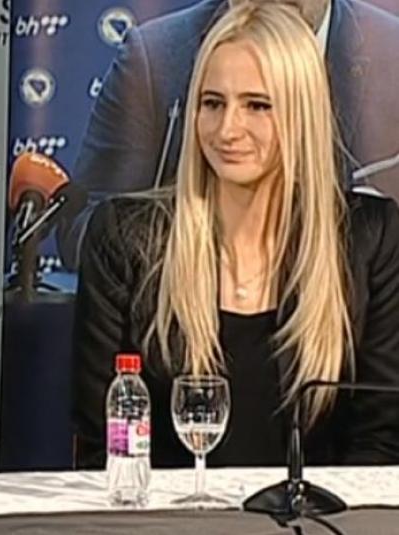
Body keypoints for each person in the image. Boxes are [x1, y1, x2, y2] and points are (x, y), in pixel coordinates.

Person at [72, 2, 399, 470]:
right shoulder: (125, 241)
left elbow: (380, 444)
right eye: (212, 103)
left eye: (257, 105)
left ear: (302, 113)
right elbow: (102, 442)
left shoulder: (369, 240)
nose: (228, 129)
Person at [60, 0, 399, 269]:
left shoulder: (393, 57)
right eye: (213, 103)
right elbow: (86, 239)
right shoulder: (155, 61)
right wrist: (204, 231)